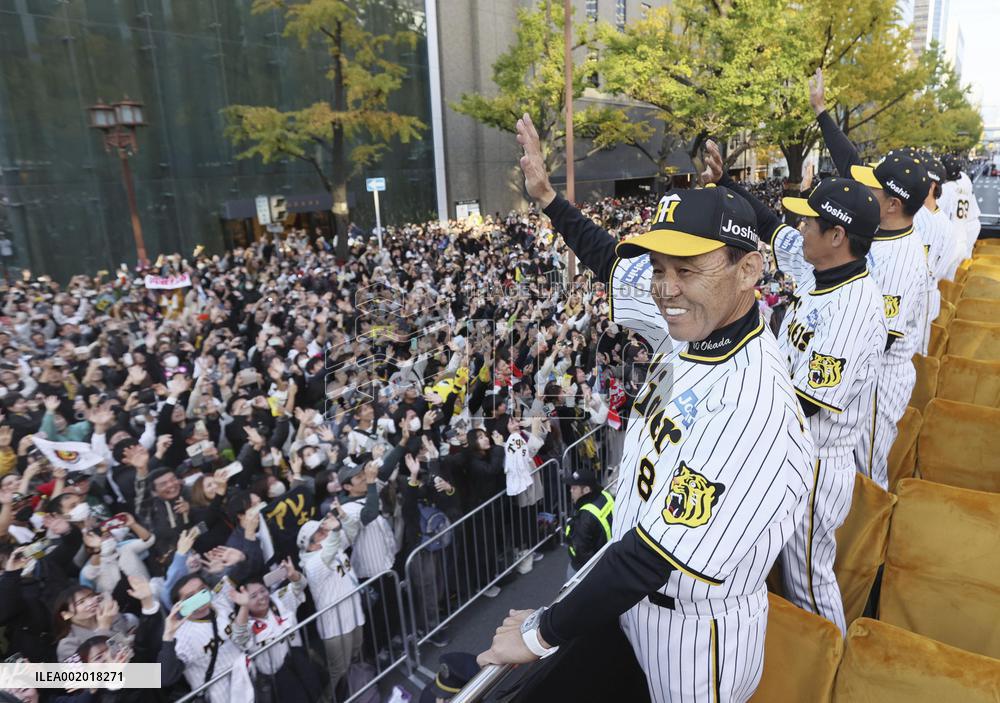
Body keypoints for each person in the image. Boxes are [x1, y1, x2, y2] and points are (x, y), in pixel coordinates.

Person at [477, 113, 813, 703]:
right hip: (633, 600)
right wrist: (550, 199)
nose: (664, 287)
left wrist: (541, 631)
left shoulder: (754, 403)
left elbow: (651, 559)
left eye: (687, 269)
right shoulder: (692, 324)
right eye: (659, 268)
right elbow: (611, 260)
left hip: (695, 640)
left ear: (749, 270)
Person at [705, 141, 886, 634]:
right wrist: (727, 184)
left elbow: (807, 401)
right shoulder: (819, 267)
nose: (800, 227)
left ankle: (834, 664)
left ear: (837, 235)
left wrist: (735, 412)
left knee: (809, 581)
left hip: (817, 462)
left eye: (810, 222)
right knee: (789, 576)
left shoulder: (855, 306)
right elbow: (772, 226)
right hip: (793, 450)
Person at [810, 68, 931, 490]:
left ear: (893, 204)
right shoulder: (887, 226)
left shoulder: (901, 259)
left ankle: (873, 533)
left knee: (868, 472)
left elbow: (881, 340)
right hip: (865, 373)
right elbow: (852, 163)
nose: (864, 192)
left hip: (881, 379)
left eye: (874, 191)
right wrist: (822, 112)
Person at [229, 558, 323, 703]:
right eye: (253, 596)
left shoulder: (278, 600)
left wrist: (293, 574)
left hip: (299, 664)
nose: (261, 597)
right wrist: (244, 606)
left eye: (262, 591)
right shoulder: (245, 621)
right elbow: (239, 637)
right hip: (275, 680)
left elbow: (300, 585)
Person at [297, 512, 365, 694]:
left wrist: (343, 518)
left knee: (355, 654)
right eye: (320, 532)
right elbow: (328, 555)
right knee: (339, 670)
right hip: (335, 626)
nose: (325, 532)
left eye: (323, 528)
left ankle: (355, 690)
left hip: (354, 614)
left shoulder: (332, 545)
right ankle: (329, 698)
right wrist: (335, 531)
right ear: (310, 545)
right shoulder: (312, 564)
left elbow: (352, 531)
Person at [562, 468, 614, 581]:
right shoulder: (606, 495)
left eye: (574, 488)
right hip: (610, 554)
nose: (570, 490)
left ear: (586, 490)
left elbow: (581, 552)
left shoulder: (584, 517)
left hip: (584, 569)